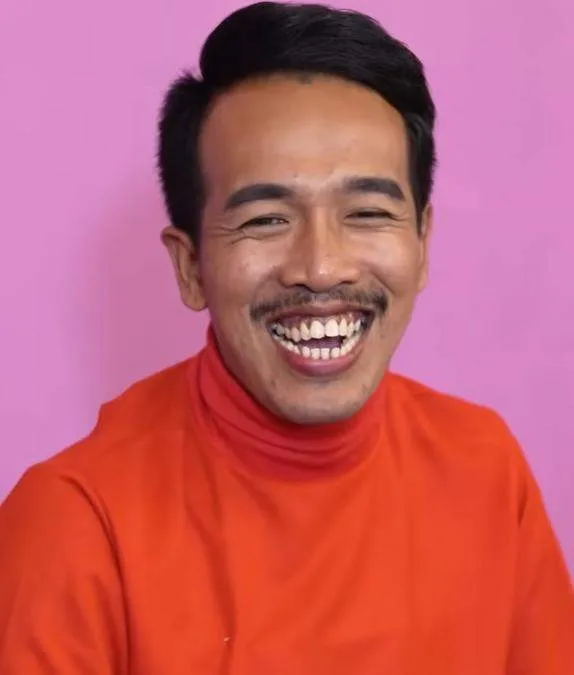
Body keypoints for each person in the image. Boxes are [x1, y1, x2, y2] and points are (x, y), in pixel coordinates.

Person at [0, 1, 572, 673]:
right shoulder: (79, 521)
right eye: (266, 220)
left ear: (422, 243)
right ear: (190, 266)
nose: (321, 268)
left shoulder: (486, 471)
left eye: (367, 212)